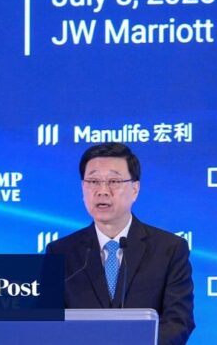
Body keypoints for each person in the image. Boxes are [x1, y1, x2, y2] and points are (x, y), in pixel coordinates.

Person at [45, 143, 195, 345]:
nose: (102, 191)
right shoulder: (59, 252)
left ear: (135, 189)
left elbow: (178, 321)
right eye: (93, 181)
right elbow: (49, 324)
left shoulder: (169, 248)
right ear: (82, 188)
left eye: (114, 181)